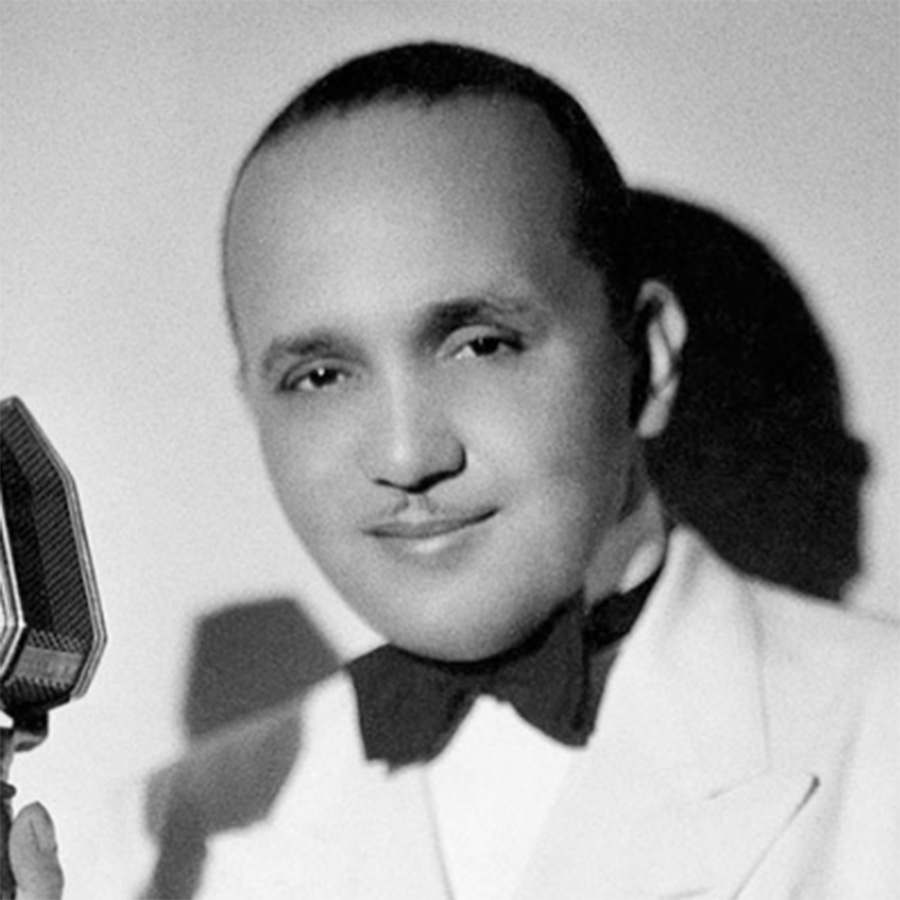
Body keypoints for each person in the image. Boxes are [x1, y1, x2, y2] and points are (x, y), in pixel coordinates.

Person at [11, 41, 898, 900]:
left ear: (649, 359)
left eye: (482, 344)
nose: (408, 457)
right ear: (254, 404)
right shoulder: (157, 840)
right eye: (319, 376)